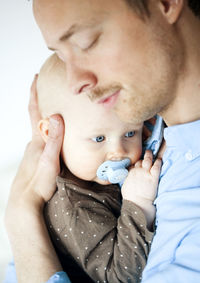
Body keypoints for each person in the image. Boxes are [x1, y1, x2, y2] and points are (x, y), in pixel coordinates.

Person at [4, 0, 200, 282]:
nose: (74, 83)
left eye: (85, 42)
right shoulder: (138, 122)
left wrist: (22, 217)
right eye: (61, 56)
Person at [38, 53, 162, 282]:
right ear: (52, 133)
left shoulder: (93, 173)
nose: (118, 151)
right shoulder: (75, 207)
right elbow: (119, 276)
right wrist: (139, 205)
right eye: (98, 139)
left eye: (129, 133)